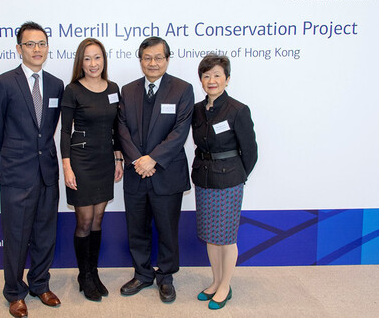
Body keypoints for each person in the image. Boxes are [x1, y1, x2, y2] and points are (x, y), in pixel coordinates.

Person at [0, 21, 64, 318]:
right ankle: (14, 293)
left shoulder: (56, 84)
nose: (36, 49)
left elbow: (51, 128)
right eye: (30, 44)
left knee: (45, 234)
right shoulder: (4, 82)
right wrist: (12, 158)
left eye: (41, 43)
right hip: (17, 175)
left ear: (47, 47)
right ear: (19, 49)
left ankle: (40, 284)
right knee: (16, 237)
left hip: (47, 173)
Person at [117, 36, 194, 303]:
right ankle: (142, 274)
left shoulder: (182, 89)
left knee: (167, 228)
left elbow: (180, 130)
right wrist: (139, 160)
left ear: (167, 59)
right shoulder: (127, 90)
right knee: (136, 227)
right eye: (147, 58)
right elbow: (122, 129)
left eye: (158, 57)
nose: (153, 63)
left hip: (166, 172)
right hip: (136, 171)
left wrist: (153, 159)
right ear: (140, 61)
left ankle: (166, 277)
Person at [191, 54, 257, 310]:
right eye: (206, 76)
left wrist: (237, 176)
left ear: (227, 79)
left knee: (227, 237)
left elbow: (250, 151)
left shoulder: (238, 110)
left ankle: (225, 286)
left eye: (217, 75)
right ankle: (216, 281)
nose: (212, 80)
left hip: (229, 180)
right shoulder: (198, 109)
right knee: (211, 235)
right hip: (204, 178)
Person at [60, 38, 123, 301]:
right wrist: (67, 166)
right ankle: (83, 275)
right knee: (84, 221)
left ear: (104, 60)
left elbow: (117, 126)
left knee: (98, 220)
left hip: (105, 161)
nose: (93, 64)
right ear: (80, 62)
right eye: (87, 58)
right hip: (81, 161)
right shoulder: (72, 90)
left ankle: (93, 272)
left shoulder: (113, 88)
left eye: (97, 58)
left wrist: (118, 158)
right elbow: (64, 131)